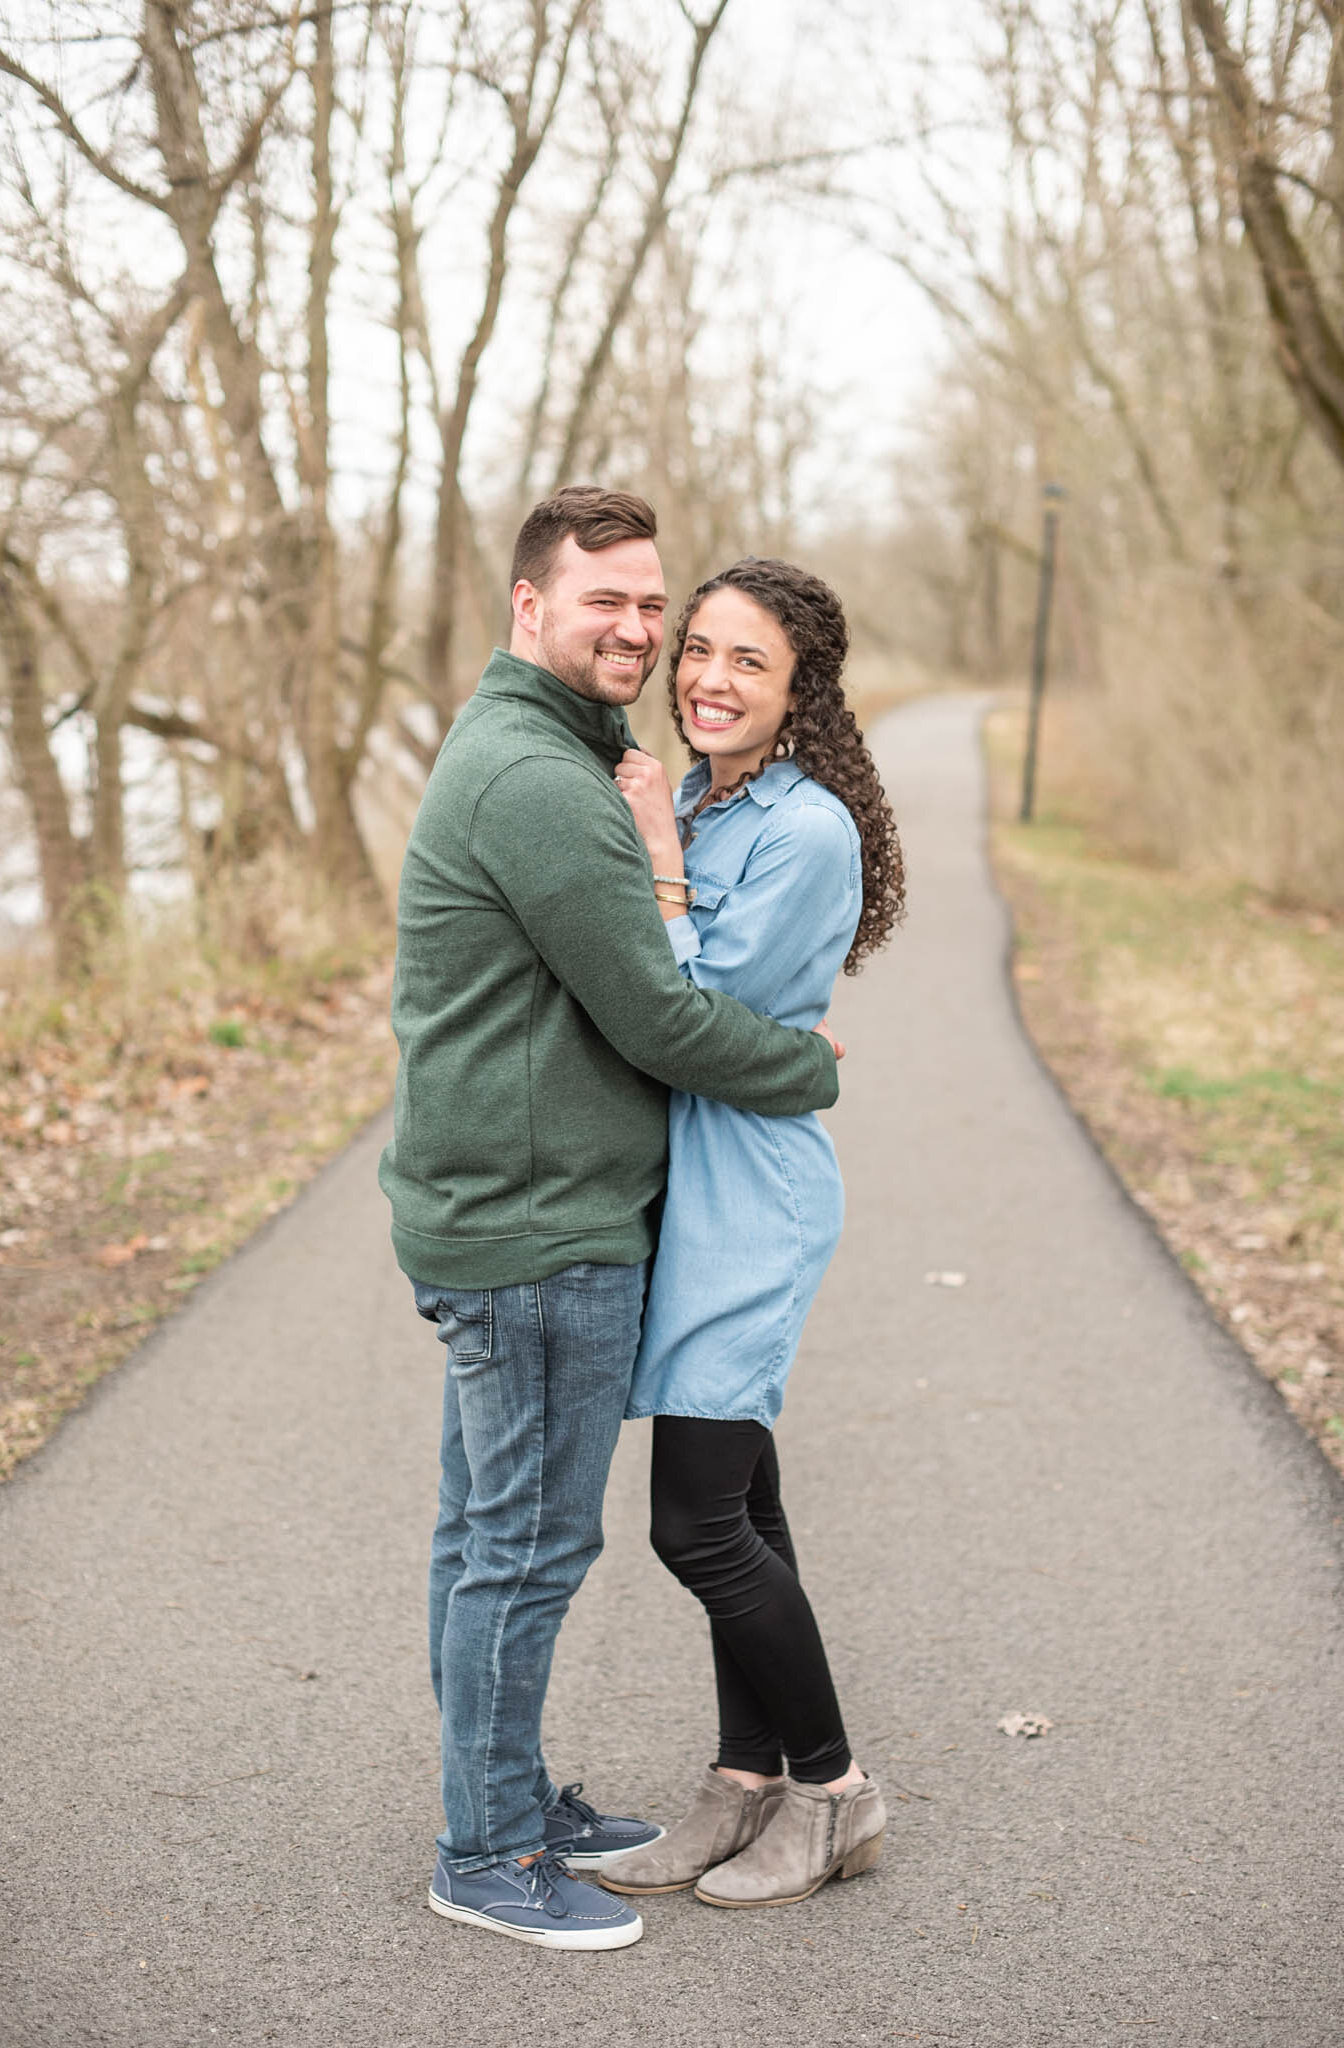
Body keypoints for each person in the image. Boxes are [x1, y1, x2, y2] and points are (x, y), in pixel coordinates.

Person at [379, 489, 845, 1952]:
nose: (642, 635)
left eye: (657, 607)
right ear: (530, 606)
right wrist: (810, 1067)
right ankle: (489, 1850)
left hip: (521, 1215)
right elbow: (657, 1011)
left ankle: (508, 1791)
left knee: (488, 1539)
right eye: (614, 606)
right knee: (519, 1551)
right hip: (537, 1231)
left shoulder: (574, 755)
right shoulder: (537, 777)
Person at [596, 557, 905, 1908]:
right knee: (744, 1507)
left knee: (697, 1523)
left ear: (800, 693)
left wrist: (660, 856)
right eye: (700, 650)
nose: (710, 679)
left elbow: (689, 1020)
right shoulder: (717, 800)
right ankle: (743, 1781)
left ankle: (835, 1792)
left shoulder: (803, 828)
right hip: (693, 1188)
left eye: (749, 663)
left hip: (752, 1196)